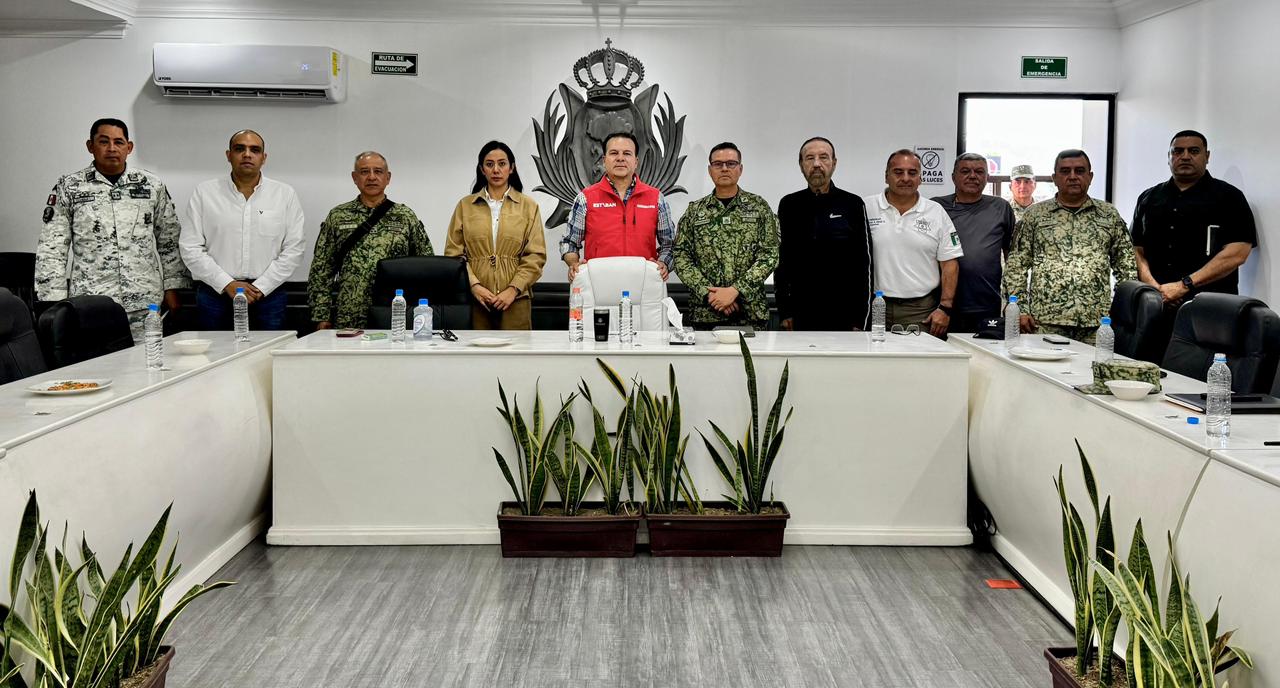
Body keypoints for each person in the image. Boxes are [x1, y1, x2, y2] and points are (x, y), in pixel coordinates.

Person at [36, 118, 190, 341]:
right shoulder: (69, 187)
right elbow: (52, 246)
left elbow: (169, 240)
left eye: (118, 142)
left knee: (148, 360)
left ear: (129, 147)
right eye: (103, 141)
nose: (111, 148)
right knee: (98, 362)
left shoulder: (151, 185)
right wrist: (52, 300)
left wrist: (173, 287)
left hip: (145, 302)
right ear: (90, 146)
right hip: (91, 303)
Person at [1003, 149, 1136, 344]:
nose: (1073, 176)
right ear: (1054, 178)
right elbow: (1016, 267)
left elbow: (1126, 267)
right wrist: (1020, 309)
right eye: (1065, 171)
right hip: (1045, 322)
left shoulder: (1109, 215)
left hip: (1097, 324)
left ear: (1090, 177)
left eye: (1079, 171)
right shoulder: (1035, 215)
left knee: (1094, 365)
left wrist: (1121, 310)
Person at [181, 130, 305, 331]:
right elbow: (190, 247)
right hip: (216, 293)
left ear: (263, 158)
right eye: (240, 149)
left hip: (268, 296)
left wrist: (261, 287)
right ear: (228, 155)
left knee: (269, 350)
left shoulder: (284, 194)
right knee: (214, 350)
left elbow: (294, 248)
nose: (247, 154)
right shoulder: (205, 193)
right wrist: (226, 283)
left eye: (255, 150)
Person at [307, 151, 433, 330]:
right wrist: (321, 315)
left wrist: (421, 315)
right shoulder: (338, 216)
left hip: (395, 313)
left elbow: (425, 266)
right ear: (354, 177)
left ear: (388, 177)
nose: (372, 177)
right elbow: (322, 269)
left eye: (378, 171)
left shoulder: (405, 216)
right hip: (349, 315)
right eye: (365, 172)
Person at [1132, 130, 1256, 302]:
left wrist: (1183, 286)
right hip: (1154, 303)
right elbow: (1136, 249)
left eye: (1194, 151)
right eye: (1177, 151)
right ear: (1169, 157)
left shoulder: (1230, 197)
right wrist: (1154, 288)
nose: (1185, 156)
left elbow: (1237, 253)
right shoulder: (1148, 198)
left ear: (1207, 156)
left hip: (1210, 305)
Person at [673, 142, 779, 330]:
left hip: (750, 313)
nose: (724, 168)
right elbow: (681, 256)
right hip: (706, 313)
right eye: (717, 164)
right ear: (710, 170)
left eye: (731, 163)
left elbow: (770, 254)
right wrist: (710, 294)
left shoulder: (758, 207)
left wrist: (736, 290)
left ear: (740, 169)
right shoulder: (695, 211)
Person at [444, 141, 547, 330]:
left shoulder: (528, 206)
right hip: (475, 300)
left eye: (502, 163)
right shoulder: (465, 206)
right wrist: (474, 286)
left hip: (516, 300)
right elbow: (454, 254)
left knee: (516, 349)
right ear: (482, 169)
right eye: (489, 164)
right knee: (475, 349)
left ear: (512, 168)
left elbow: (536, 255)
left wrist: (513, 289)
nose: (496, 170)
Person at [774, 136, 874, 331]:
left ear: (834, 163)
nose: (817, 164)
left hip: (844, 315)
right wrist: (785, 312)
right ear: (801, 165)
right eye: (809, 158)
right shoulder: (789, 205)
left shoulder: (852, 204)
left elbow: (865, 264)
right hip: (801, 314)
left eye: (823, 157)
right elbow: (781, 261)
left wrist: (861, 319)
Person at [866, 149, 963, 337]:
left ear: (920, 178)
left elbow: (950, 263)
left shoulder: (936, 212)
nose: (905, 178)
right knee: (872, 355)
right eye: (898, 172)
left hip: (920, 310)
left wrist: (945, 308)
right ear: (886, 176)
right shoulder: (866, 207)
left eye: (912, 173)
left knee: (918, 356)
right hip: (875, 307)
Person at [559, 132, 674, 282]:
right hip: (598, 282)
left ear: (636, 161)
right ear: (604, 160)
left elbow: (670, 245)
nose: (620, 158)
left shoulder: (656, 198)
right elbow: (569, 243)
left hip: (644, 282)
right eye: (614, 153)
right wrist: (574, 264)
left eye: (627, 153)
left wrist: (664, 263)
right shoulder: (585, 198)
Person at [932, 153, 1015, 332]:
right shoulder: (936, 207)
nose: (972, 176)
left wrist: (1012, 300)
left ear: (987, 177)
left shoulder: (1001, 207)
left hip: (986, 303)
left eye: (979, 172)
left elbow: (1012, 259)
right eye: (965, 171)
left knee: (984, 350)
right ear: (953, 177)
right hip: (941, 306)